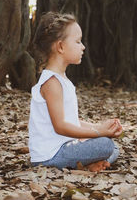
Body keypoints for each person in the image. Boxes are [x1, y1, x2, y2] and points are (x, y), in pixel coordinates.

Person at [28, 12, 123, 172]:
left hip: (64, 149)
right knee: (106, 145)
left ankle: (92, 163)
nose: (83, 46)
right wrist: (98, 132)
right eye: (78, 41)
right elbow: (60, 126)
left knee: (113, 148)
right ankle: (91, 163)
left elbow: (71, 120)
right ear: (60, 47)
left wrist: (101, 127)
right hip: (50, 156)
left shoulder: (62, 79)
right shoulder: (51, 82)